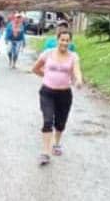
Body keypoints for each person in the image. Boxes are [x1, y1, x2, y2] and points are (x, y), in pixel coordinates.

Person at [31, 29, 84, 166]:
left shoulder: (73, 56)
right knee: (47, 120)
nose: (64, 43)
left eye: (67, 40)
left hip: (64, 94)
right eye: (62, 40)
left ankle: (56, 143)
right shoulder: (48, 54)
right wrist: (47, 76)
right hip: (47, 92)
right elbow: (35, 69)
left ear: (70, 42)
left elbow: (77, 71)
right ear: (57, 40)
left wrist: (78, 80)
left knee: (60, 123)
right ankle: (45, 152)